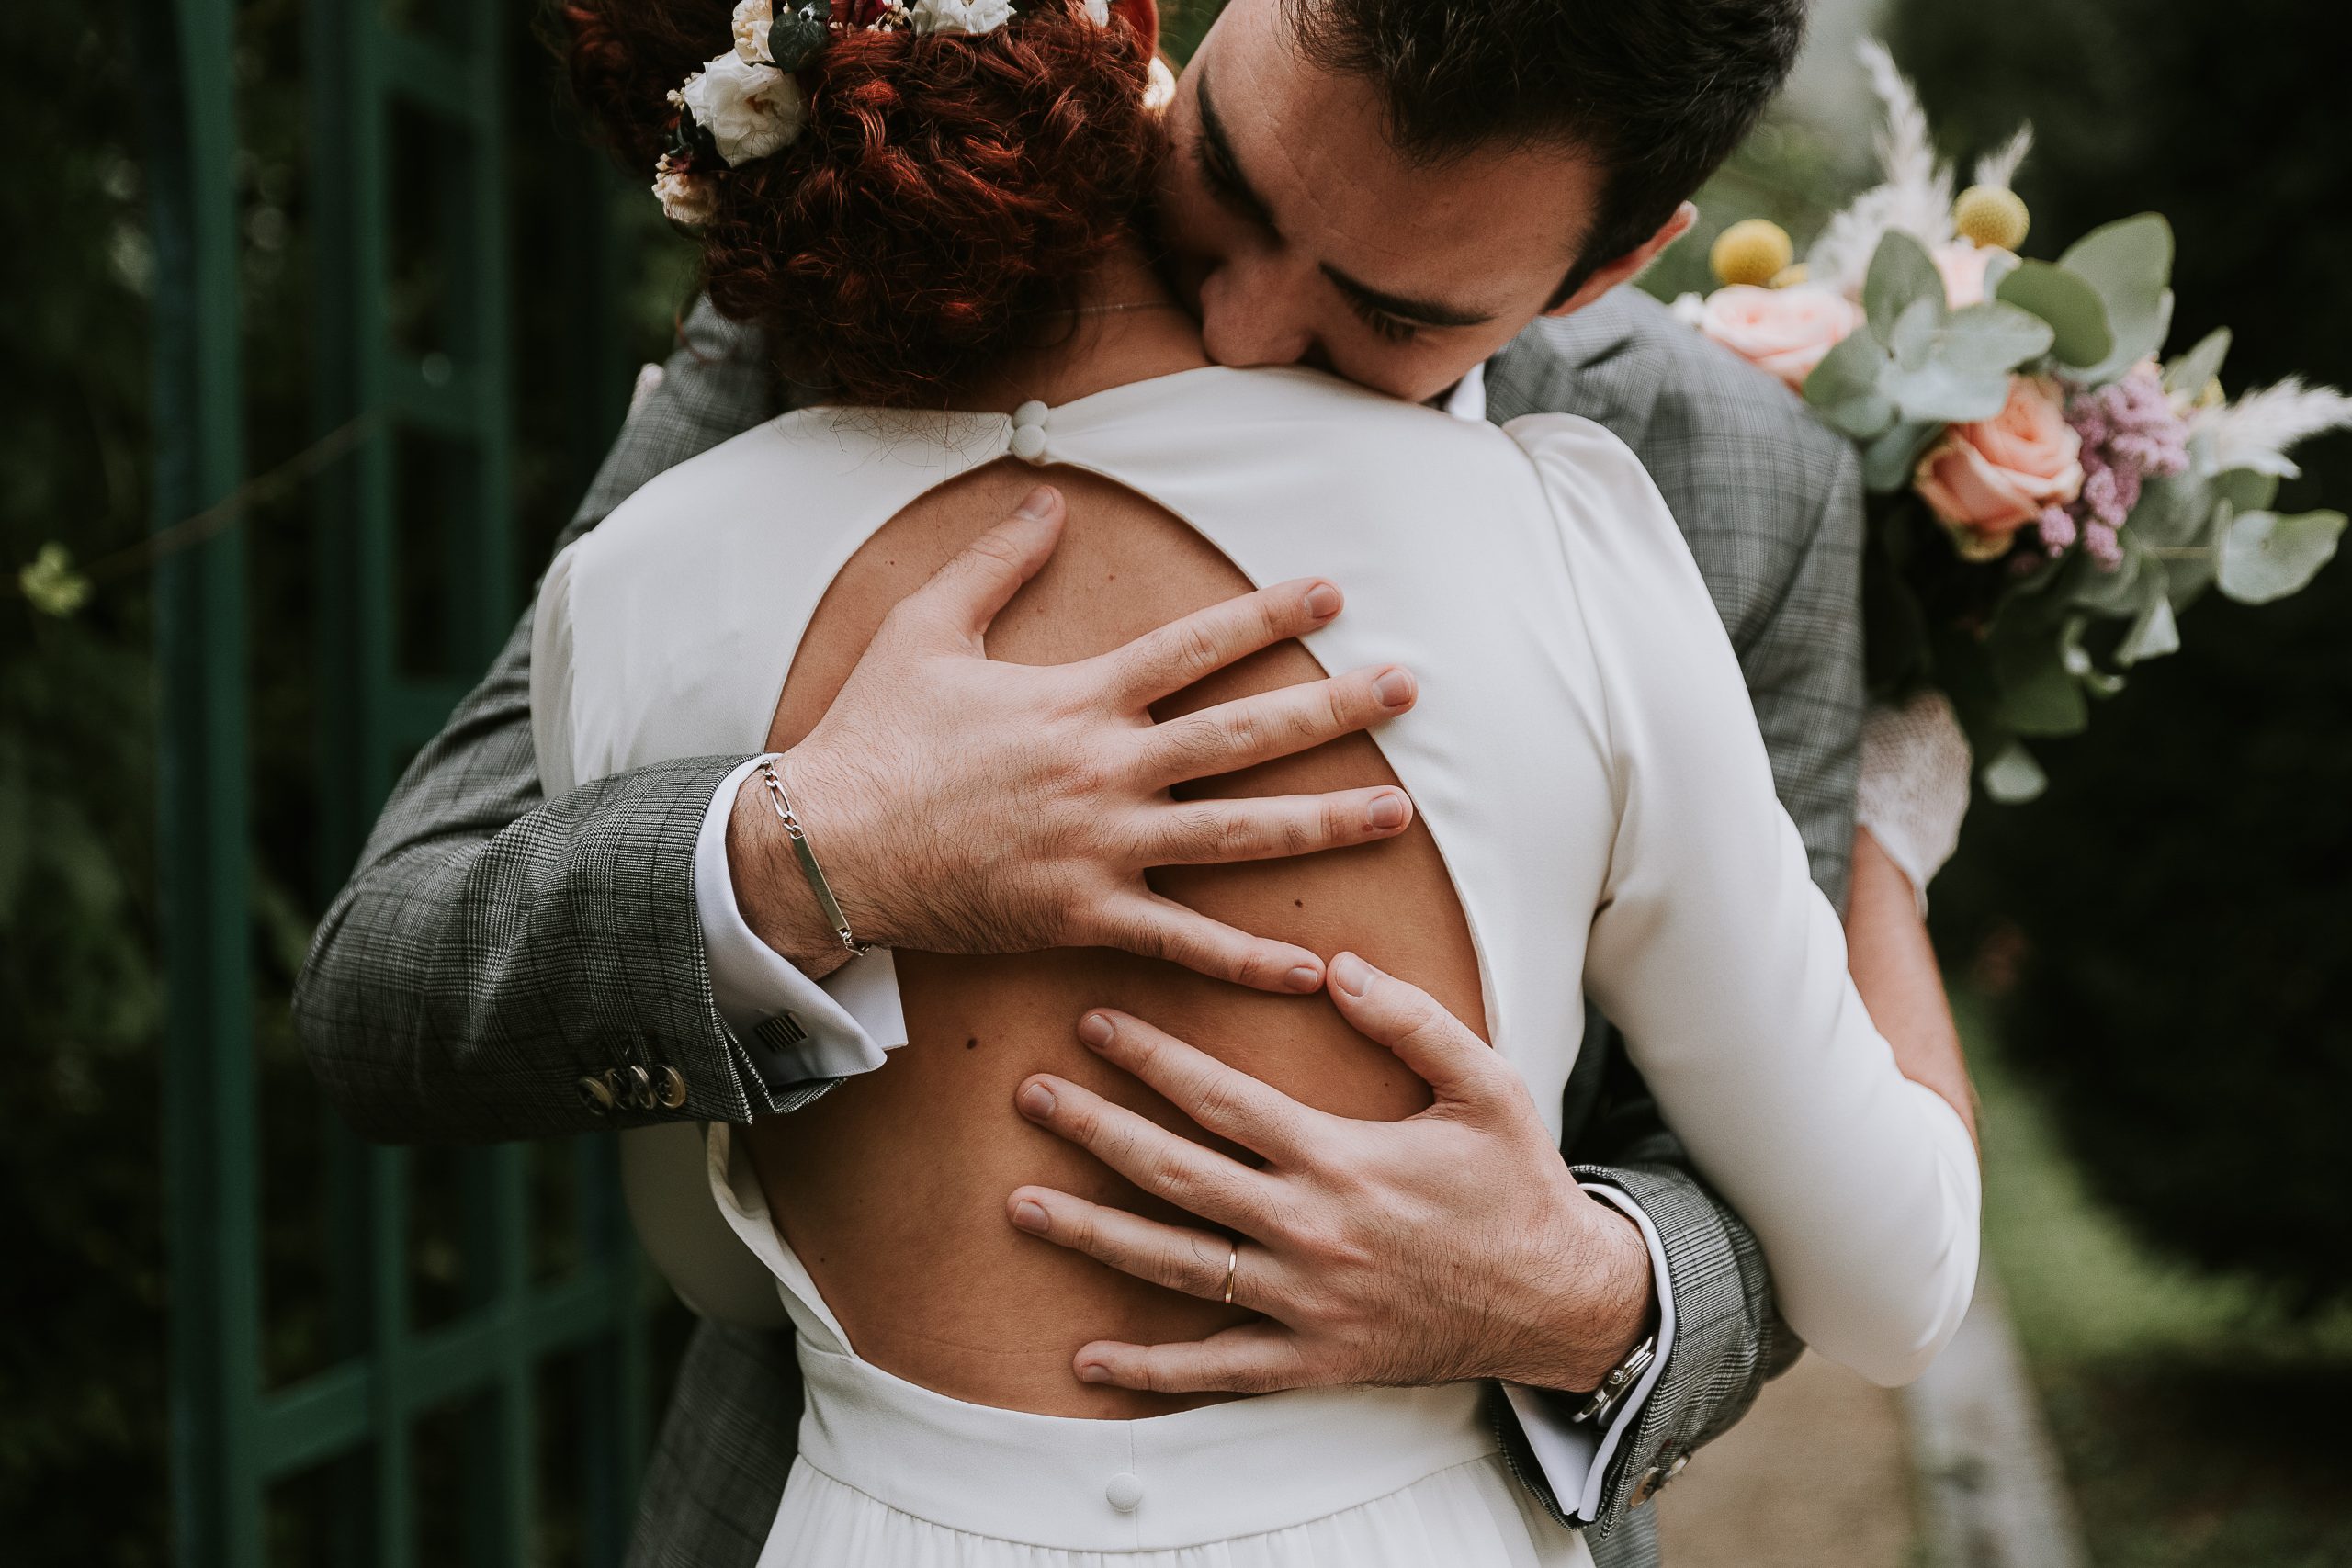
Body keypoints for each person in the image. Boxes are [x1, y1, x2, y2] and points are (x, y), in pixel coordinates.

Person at [294, 0, 1980, 1562]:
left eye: (1390, 312)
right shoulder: (860, 262)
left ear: (1612, 266)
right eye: (1227, 189)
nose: (1246, 325)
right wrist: (810, 856)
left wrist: (1585, 1294)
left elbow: (1782, 1179)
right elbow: (391, 974)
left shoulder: (1734, 484)